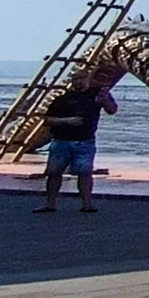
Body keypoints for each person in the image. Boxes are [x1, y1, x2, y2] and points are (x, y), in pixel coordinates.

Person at [36, 78, 116, 213]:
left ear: (88, 81)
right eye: (77, 80)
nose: (80, 82)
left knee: (85, 173)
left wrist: (105, 100)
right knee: (54, 173)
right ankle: (50, 204)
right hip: (61, 141)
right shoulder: (62, 99)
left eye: (83, 79)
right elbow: (47, 120)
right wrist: (67, 121)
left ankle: (87, 204)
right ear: (72, 82)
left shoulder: (96, 97)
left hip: (85, 141)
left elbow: (112, 110)